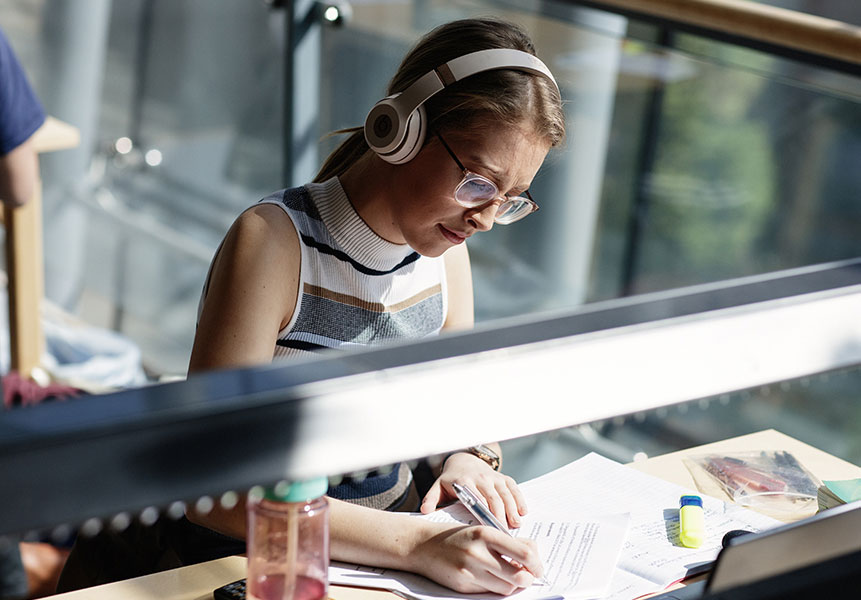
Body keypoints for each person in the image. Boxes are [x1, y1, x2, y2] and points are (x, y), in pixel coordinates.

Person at [58, 16, 565, 596]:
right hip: (258, 566)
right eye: (477, 181)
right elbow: (213, 492)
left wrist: (472, 459)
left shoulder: (448, 254)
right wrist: (417, 545)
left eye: (510, 200)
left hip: (382, 565)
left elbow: (459, 410)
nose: (485, 220)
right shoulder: (272, 245)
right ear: (401, 128)